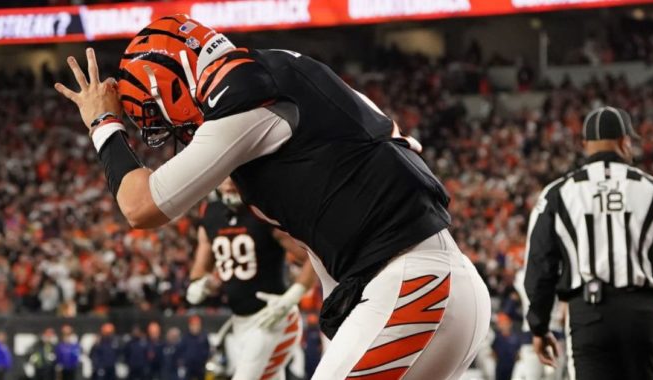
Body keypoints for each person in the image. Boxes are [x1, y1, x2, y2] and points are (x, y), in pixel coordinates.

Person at [54, 14, 490, 379]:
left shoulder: (244, 93)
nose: (180, 137)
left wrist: (104, 124)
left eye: (163, 120)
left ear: (172, 84)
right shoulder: (285, 69)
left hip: (413, 286)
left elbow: (140, 206)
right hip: (429, 281)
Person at [523, 106, 653, 380]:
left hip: (589, 313)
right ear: (625, 141)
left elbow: (541, 266)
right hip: (642, 315)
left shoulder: (557, 194)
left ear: (585, 145)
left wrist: (539, 327)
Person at [187, 177, 315, 379]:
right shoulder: (211, 213)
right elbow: (199, 271)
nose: (228, 182)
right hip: (240, 321)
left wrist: (293, 295)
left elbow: (314, 255)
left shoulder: (262, 210)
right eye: (223, 175)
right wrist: (201, 284)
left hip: (274, 317)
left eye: (235, 175)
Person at [180, 315, 210, 380]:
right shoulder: (185, 337)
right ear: (189, 326)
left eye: (197, 324)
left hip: (200, 367)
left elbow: (208, 350)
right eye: (193, 325)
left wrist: (205, 360)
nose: (195, 327)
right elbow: (181, 351)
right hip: (188, 367)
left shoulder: (204, 337)